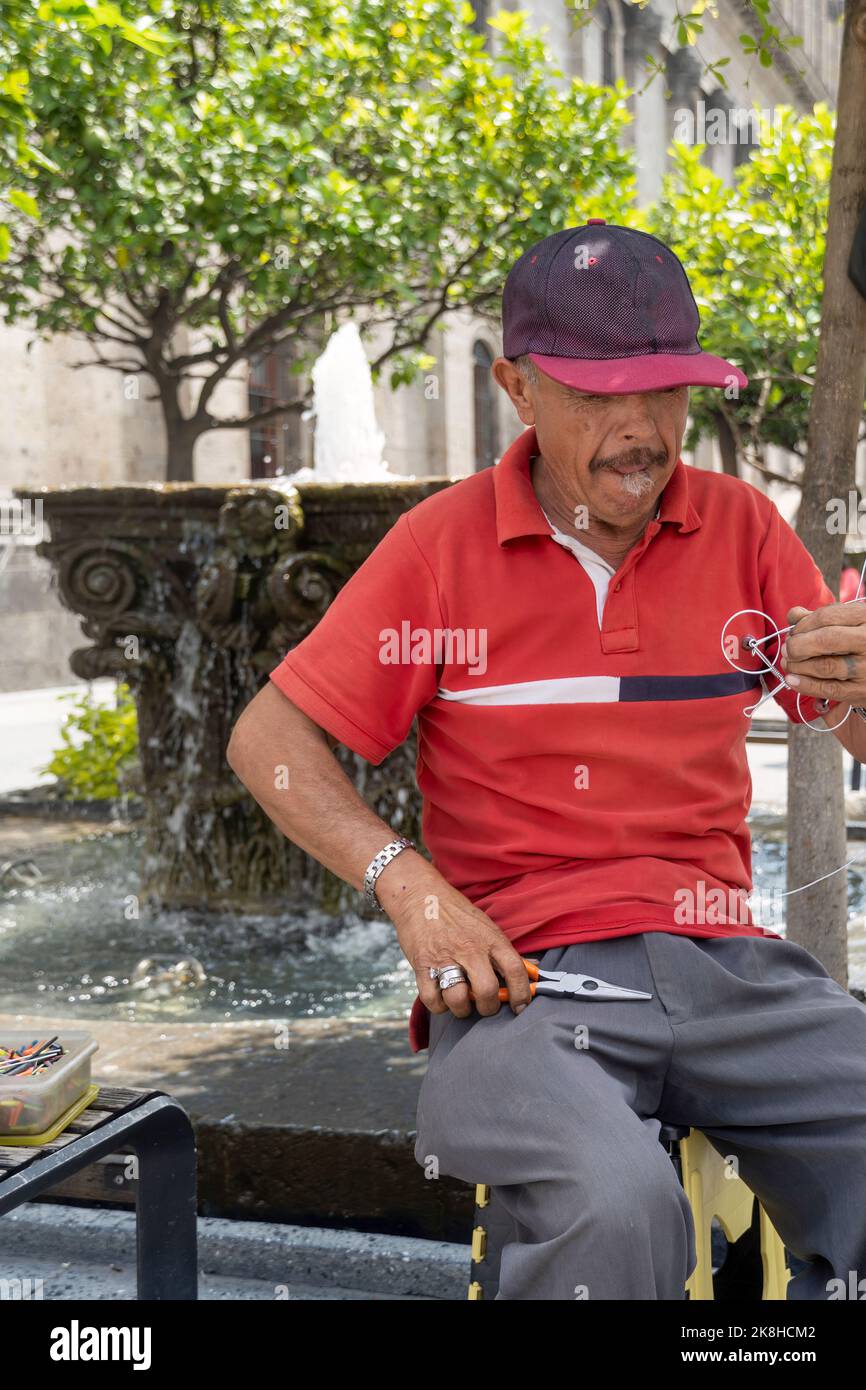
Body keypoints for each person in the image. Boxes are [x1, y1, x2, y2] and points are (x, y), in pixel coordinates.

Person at [227, 220, 866, 1300]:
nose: (637, 429)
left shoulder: (740, 526)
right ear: (516, 388)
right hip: (527, 984)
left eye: (661, 390)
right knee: (614, 1209)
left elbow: (848, 728)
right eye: (593, 393)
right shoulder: (441, 546)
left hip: (726, 963)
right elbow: (266, 741)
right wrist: (410, 887)